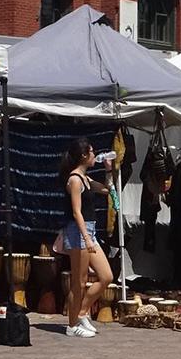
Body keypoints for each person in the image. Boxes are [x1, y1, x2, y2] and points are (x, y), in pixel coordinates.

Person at [56, 137, 113, 339]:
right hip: (78, 232)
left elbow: (107, 190)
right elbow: (76, 212)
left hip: (90, 231)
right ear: (83, 155)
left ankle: (81, 313)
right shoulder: (74, 180)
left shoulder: (86, 179)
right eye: (92, 152)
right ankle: (72, 325)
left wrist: (109, 170)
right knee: (79, 283)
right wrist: (86, 238)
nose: (94, 155)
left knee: (106, 276)